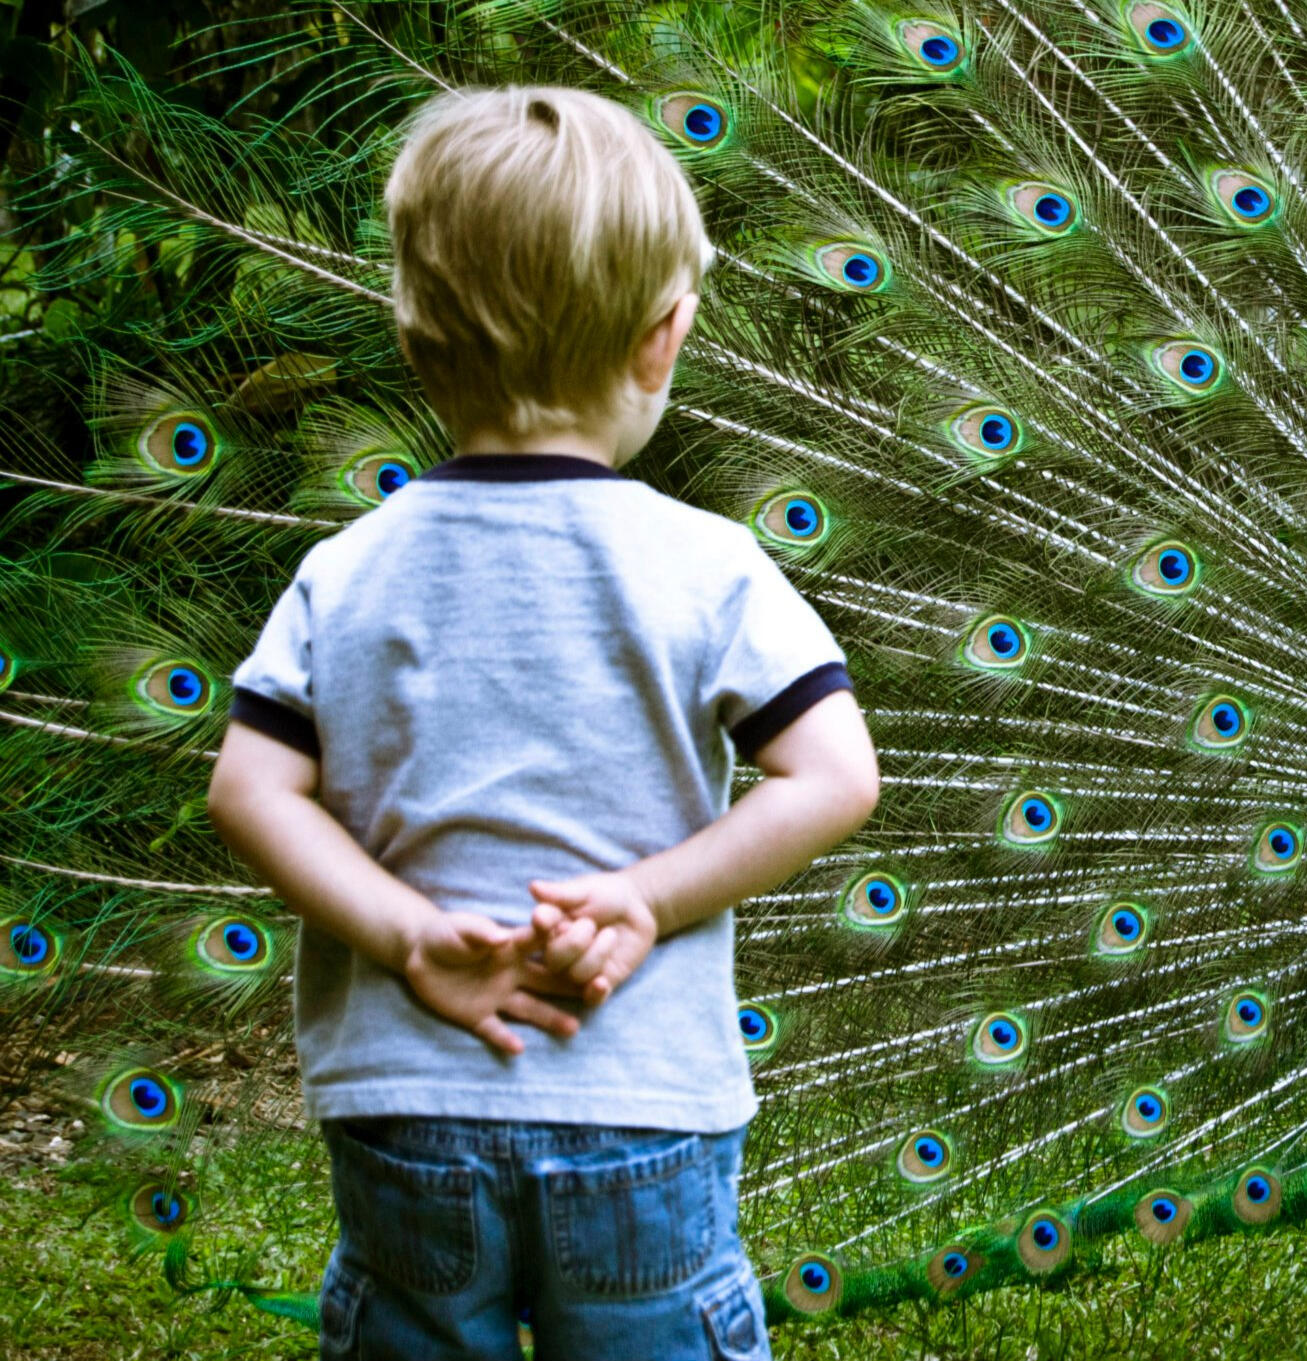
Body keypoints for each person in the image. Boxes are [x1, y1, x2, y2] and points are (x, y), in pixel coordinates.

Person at [206, 84, 879, 1361]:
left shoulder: (347, 568)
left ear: (411, 340)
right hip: (641, 1105)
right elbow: (832, 773)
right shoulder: (709, 563)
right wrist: (647, 900)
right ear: (663, 338)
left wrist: (411, 935)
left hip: (408, 1102)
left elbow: (248, 788)